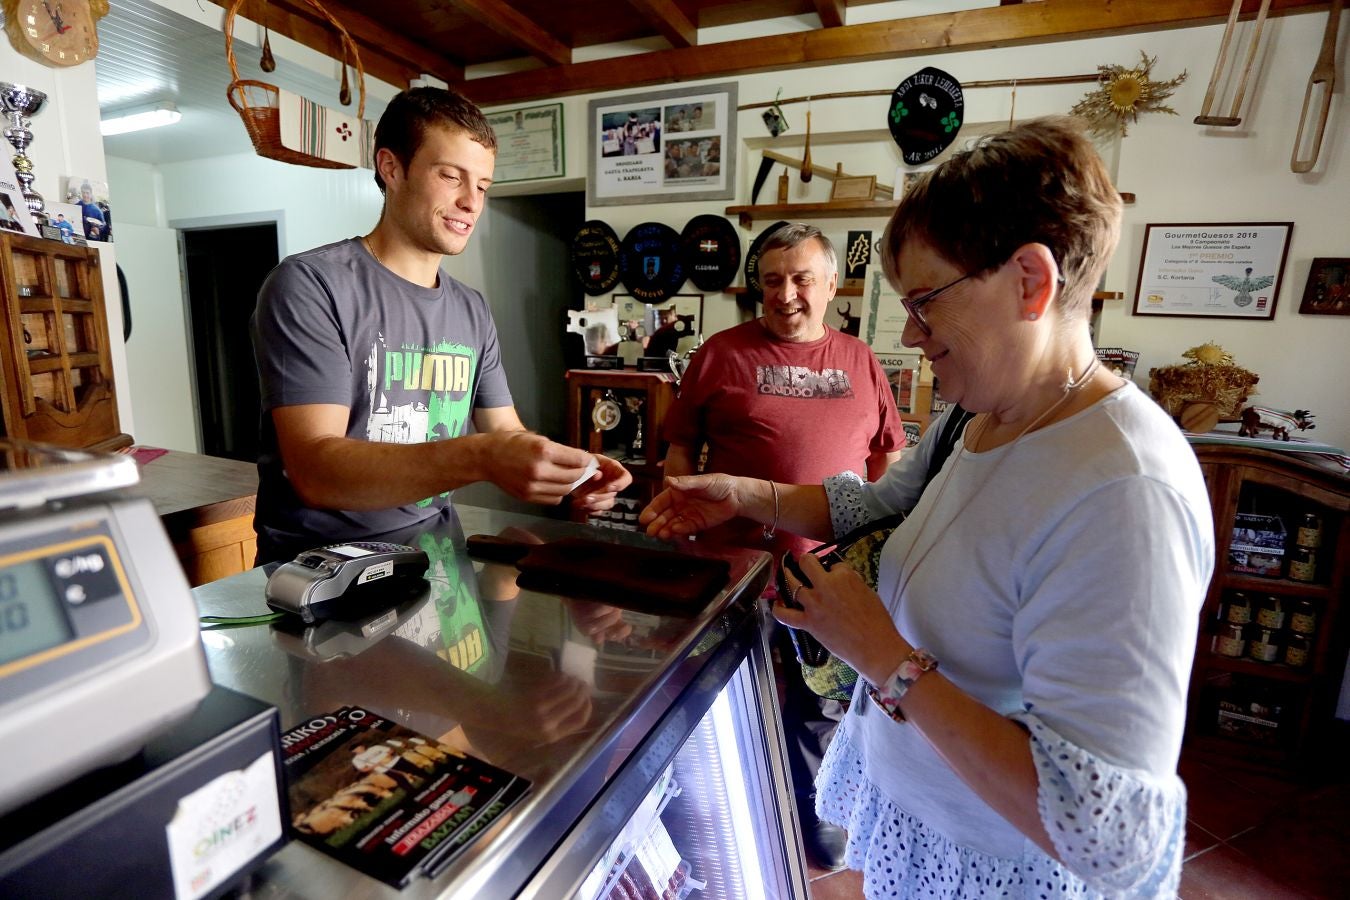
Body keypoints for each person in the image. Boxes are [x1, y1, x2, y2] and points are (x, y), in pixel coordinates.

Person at [642, 117, 1213, 897]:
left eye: (926, 302)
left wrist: (881, 654)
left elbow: (1103, 834)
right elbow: (873, 504)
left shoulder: (1126, 490)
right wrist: (741, 495)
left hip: (996, 869)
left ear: (1030, 281)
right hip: (923, 826)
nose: (910, 334)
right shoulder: (976, 418)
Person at [250, 88, 629, 563]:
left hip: (437, 557)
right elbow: (315, 471)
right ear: (392, 169)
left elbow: (505, 431)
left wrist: (570, 469)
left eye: (483, 186)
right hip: (321, 572)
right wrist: (481, 456)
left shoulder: (471, 308)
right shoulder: (311, 285)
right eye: (451, 176)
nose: (471, 202)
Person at [660, 222, 904, 870]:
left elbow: (886, 461)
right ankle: (706, 806)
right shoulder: (721, 353)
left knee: (821, 700)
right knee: (719, 691)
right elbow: (680, 446)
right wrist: (680, 513)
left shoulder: (861, 361)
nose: (786, 293)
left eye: (801, 279)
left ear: (831, 284)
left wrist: (878, 550)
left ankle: (816, 808)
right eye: (772, 280)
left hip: (827, 572)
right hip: (732, 568)